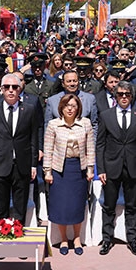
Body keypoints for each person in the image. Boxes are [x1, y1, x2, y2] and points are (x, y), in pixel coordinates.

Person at [96, 81, 136, 256]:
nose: (124, 97)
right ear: (115, 96)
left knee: (132, 206)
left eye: (127, 94)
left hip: (133, 167)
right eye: (120, 94)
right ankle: (106, 240)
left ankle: (132, 240)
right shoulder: (106, 116)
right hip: (111, 167)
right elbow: (100, 144)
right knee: (109, 206)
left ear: (132, 96)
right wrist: (101, 169)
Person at [0, 73, 39, 226]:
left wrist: (33, 164)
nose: (11, 90)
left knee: (21, 206)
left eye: (15, 87)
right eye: (7, 87)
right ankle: (3, 232)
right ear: (1, 90)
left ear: (20, 89)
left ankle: (19, 233)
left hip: (22, 164)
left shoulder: (29, 110)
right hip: (0, 164)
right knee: (1, 206)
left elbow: (33, 139)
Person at [43, 93, 95, 256]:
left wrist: (90, 169)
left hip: (78, 169)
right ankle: (64, 239)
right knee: (62, 206)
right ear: (61, 108)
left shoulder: (85, 123)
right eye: (67, 106)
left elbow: (90, 147)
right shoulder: (53, 125)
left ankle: (77, 238)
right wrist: (47, 171)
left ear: (78, 108)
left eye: (73, 106)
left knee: (77, 205)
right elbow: (48, 148)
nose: (70, 109)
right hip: (60, 169)